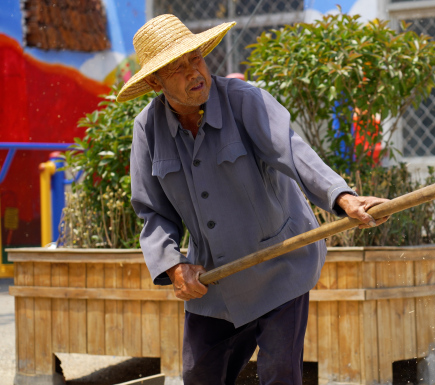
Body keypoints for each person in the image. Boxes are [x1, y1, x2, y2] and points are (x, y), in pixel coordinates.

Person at [117, 14, 389, 384]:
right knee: (199, 376)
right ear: (154, 81)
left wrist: (343, 197)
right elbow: (153, 213)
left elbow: (293, 153)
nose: (194, 72)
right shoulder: (147, 130)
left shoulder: (245, 101)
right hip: (215, 279)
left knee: (278, 374)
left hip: (279, 265)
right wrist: (173, 266)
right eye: (177, 68)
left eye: (195, 58)